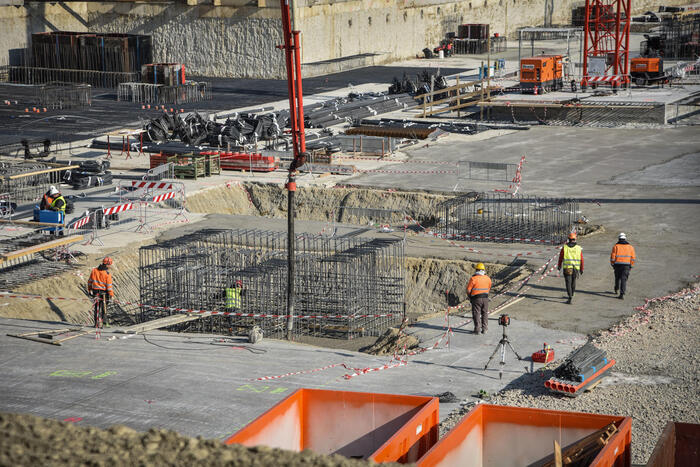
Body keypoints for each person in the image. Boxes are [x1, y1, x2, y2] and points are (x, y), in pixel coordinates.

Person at [87, 257, 114, 327]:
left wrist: (89, 289)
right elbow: (109, 286)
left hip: (96, 292)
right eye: (109, 265)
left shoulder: (94, 271)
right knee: (104, 308)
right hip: (104, 293)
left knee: (97, 307)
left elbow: (90, 281)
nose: (109, 266)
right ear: (107, 264)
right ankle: (104, 323)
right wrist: (111, 294)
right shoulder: (107, 274)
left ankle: (96, 323)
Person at [558, 232, 583, 304]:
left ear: (569, 239)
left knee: (568, 283)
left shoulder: (564, 248)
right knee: (573, 282)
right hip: (575, 268)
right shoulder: (578, 248)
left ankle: (570, 296)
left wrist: (559, 266)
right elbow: (581, 259)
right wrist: (581, 268)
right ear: (575, 239)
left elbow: (560, 258)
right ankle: (572, 294)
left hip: (567, 268)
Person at [467, 263, 492, 334]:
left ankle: (477, 330)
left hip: (476, 299)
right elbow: (489, 288)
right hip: (485, 298)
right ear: (483, 270)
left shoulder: (473, 278)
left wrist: (470, 297)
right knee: (485, 313)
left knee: (476, 313)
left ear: (476, 270)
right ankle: (485, 329)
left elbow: (468, 290)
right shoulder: (488, 278)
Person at [610, 232, 636, 300]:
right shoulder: (630, 247)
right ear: (625, 238)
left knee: (617, 278)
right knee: (623, 279)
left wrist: (612, 264)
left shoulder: (615, 246)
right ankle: (622, 294)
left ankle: (616, 289)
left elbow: (613, 257)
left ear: (619, 238)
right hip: (626, 266)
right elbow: (633, 257)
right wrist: (631, 265)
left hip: (617, 265)